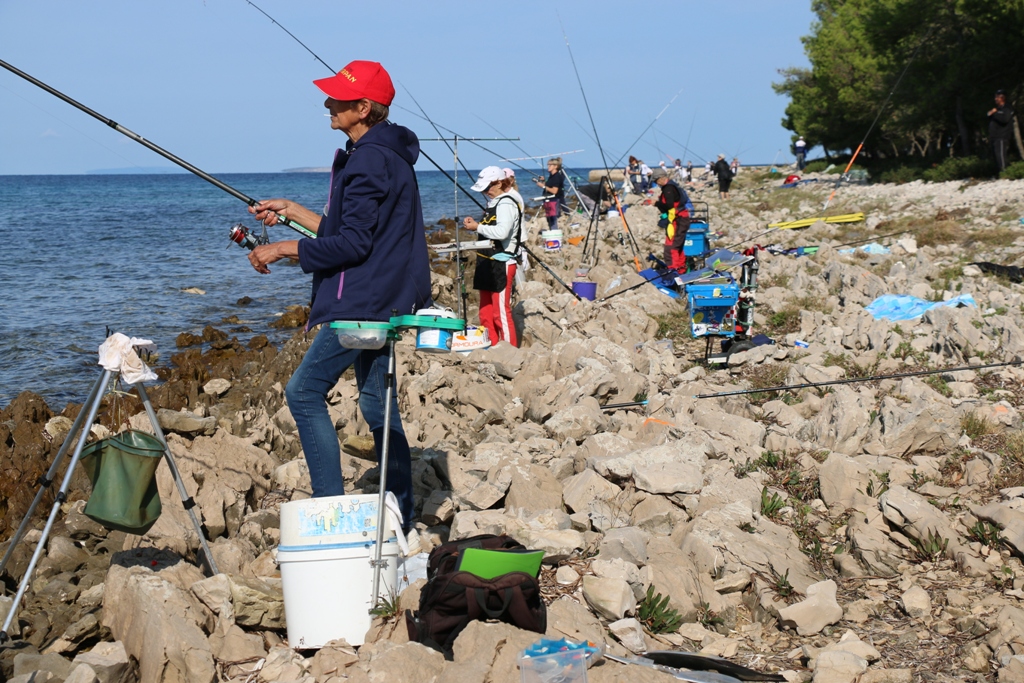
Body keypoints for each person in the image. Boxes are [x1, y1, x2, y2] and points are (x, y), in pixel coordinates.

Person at [246, 60, 430, 529]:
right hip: (386, 298)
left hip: (362, 304)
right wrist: (292, 211)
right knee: (374, 403)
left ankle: (328, 511)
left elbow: (353, 245)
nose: (327, 104)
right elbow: (350, 231)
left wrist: (284, 249)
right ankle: (400, 513)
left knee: (303, 393)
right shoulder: (387, 155)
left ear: (364, 107)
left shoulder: (368, 158)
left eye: (337, 99)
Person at [464, 166, 524, 347]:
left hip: (502, 262)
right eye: (482, 188)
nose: (485, 192)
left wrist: (477, 227)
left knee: (500, 312)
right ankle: (490, 344)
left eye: (487, 187)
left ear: (499, 183)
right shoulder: (495, 202)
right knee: (485, 311)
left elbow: (502, 232)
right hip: (486, 262)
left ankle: (509, 350)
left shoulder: (506, 203)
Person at [652, 167, 692, 271]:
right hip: (681, 218)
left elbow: (669, 206)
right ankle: (681, 270)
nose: (657, 183)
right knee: (678, 246)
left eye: (656, 181)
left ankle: (674, 271)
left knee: (671, 248)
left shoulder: (668, 188)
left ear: (660, 178)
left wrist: (656, 203)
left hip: (678, 220)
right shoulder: (672, 185)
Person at [534, 157, 565, 231]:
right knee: (549, 219)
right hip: (548, 200)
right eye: (548, 165)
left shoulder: (557, 176)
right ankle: (552, 233)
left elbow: (554, 191)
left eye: (550, 165)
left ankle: (555, 234)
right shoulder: (552, 176)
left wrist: (543, 186)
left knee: (553, 219)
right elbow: (550, 185)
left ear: (555, 166)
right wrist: (544, 182)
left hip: (553, 200)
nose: (548, 166)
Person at [989, 90, 1015, 172]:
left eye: (997, 97)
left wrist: (994, 113)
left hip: (1002, 136)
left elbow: (1005, 119)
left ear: (1002, 97)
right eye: (995, 97)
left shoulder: (1007, 108)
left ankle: (1005, 172)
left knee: (1001, 155)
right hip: (994, 136)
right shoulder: (997, 109)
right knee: (996, 156)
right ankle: (998, 172)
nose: (995, 99)